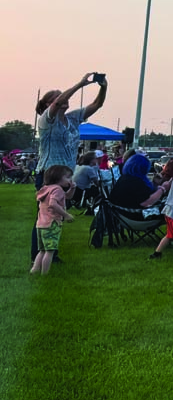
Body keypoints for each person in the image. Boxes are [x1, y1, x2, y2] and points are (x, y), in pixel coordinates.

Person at [34, 71, 108, 262]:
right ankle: (38, 255)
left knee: (56, 217)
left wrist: (103, 87)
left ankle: (51, 254)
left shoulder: (73, 118)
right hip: (49, 174)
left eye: (62, 95)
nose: (63, 98)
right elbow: (57, 104)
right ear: (47, 104)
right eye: (57, 97)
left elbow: (97, 104)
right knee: (46, 217)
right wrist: (80, 84)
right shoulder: (46, 120)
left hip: (65, 176)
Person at [32, 165, 74, 275]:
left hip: (41, 224)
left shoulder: (46, 188)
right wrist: (66, 215)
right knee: (50, 251)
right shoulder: (57, 189)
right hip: (52, 223)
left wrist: (72, 188)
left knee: (42, 250)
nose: (70, 180)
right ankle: (44, 274)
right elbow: (53, 204)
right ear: (58, 177)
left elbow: (66, 197)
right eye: (68, 177)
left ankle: (34, 270)